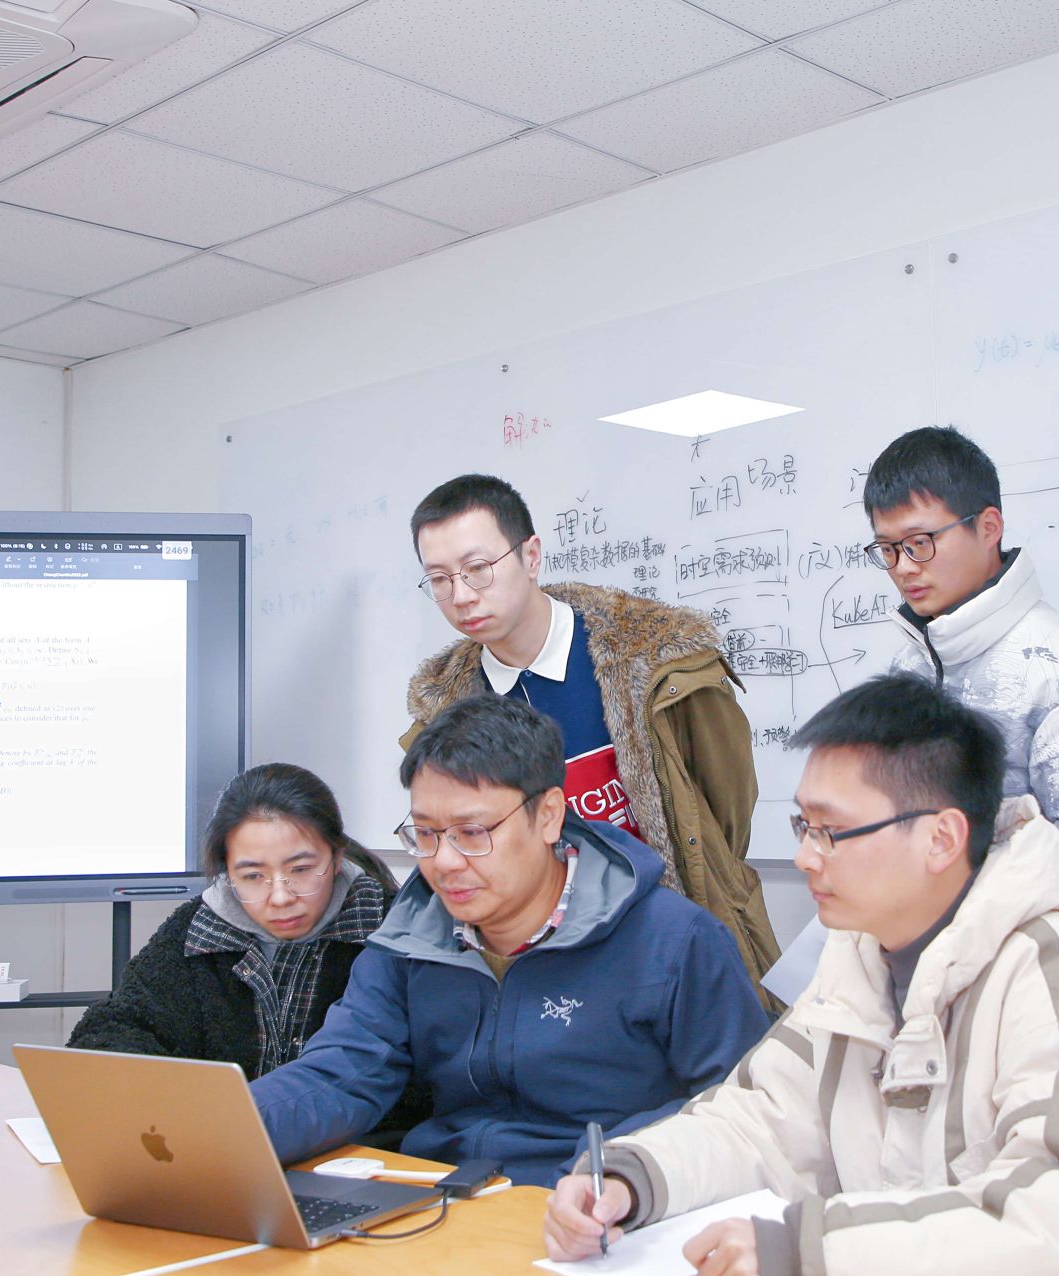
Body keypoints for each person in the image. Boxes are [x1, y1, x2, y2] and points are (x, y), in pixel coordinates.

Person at [542, 673, 1059, 1276]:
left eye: (832, 831)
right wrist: (632, 1179)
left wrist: (815, 1258)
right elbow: (762, 1120)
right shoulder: (861, 951)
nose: (805, 857)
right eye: (803, 826)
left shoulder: (1053, 963)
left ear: (941, 838)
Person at [250, 693, 767, 1187]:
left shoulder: (675, 942)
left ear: (548, 816)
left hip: (600, 1201)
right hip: (447, 1200)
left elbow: (737, 1107)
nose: (444, 862)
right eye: (425, 834)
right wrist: (225, 1130)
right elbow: (340, 1074)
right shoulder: (410, 936)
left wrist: (618, 1174)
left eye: (472, 833)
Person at [402, 473, 779, 994]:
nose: (461, 596)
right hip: (546, 972)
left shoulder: (657, 662)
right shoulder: (445, 714)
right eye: (440, 580)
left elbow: (725, 807)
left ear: (530, 557)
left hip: (677, 944)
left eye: (478, 569)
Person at [69, 764, 416, 1105]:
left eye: (301, 870)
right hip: (219, 1135)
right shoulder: (197, 929)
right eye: (252, 876)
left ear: (337, 857)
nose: (280, 897)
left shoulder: (392, 927)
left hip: (363, 1140)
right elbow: (114, 1030)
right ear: (227, 871)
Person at [868, 426, 1059, 854]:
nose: (903, 567)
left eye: (920, 542)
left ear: (988, 528)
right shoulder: (909, 665)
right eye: (887, 549)